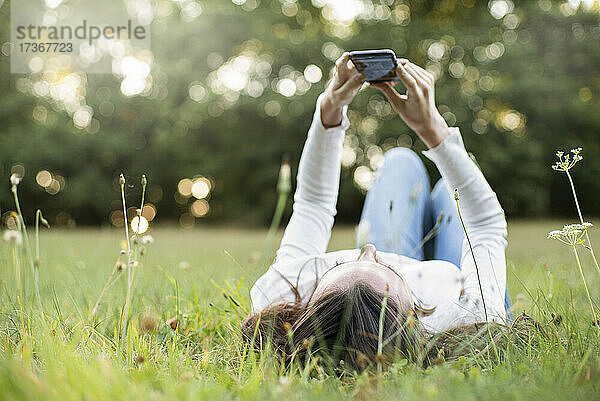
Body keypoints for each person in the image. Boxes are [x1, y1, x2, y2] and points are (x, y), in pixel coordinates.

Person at [241, 52, 510, 370]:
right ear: (412, 317)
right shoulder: (467, 318)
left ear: (311, 303)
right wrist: (432, 129)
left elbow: (313, 205)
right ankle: (439, 210)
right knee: (449, 197)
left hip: (372, 295)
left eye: (341, 264)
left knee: (400, 161)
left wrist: (330, 109)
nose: (368, 250)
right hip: (453, 280)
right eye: (389, 271)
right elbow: (485, 224)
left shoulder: (286, 292)